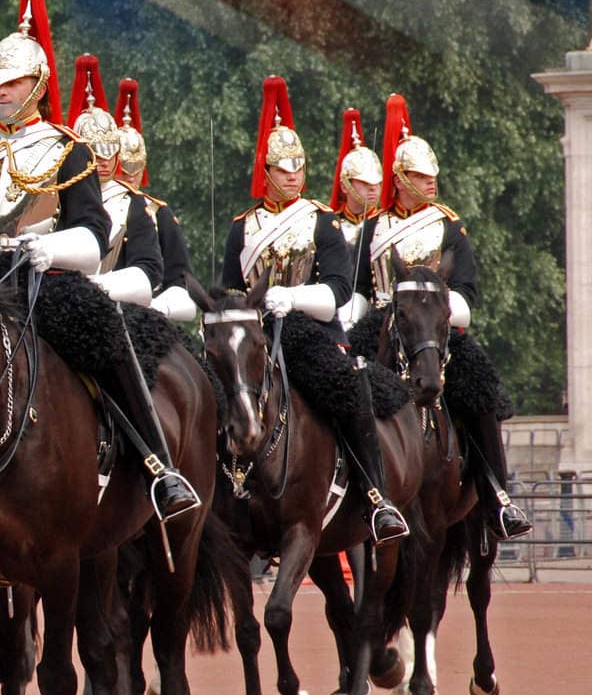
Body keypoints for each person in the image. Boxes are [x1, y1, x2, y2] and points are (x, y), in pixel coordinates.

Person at [0, 0, 199, 523]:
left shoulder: (69, 149)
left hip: (42, 279)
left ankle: (158, 465)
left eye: (13, 83)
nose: (1, 93)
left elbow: (91, 233)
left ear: (36, 84)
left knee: (103, 330)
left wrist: (49, 248)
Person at [221, 76, 408, 545]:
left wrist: (294, 298)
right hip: (254, 334)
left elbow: (340, 290)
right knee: (206, 394)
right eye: (284, 170)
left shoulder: (321, 222)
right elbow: (228, 287)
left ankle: (376, 496)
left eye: (298, 169)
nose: (293, 177)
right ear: (265, 171)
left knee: (350, 389)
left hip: (311, 335)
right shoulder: (241, 229)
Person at [357, 94, 530, 540]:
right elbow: (357, 290)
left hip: (437, 331)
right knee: (341, 389)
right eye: (419, 176)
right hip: (380, 327)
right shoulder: (372, 228)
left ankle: (498, 497)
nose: (430, 183)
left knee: (480, 393)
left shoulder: (449, 226)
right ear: (399, 179)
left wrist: (437, 312)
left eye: (432, 176)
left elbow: (467, 291)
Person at [67, 54, 164, 308]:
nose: (105, 161)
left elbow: (149, 268)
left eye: (110, 153)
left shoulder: (132, 203)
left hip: (114, 305)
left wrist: (100, 287)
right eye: (96, 154)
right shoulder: (57, 195)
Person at [113, 78, 197, 324]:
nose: (130, 176)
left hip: (147, 315)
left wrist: (158, 308)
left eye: (136, 169)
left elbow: (180, 280)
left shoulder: (158, 213)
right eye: (124, 169)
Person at [330, 108, 382, 327]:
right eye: (364, 183)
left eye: (376, 183)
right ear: (345, 185)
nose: (373, 190)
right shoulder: (329, 225)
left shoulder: (386, 225)